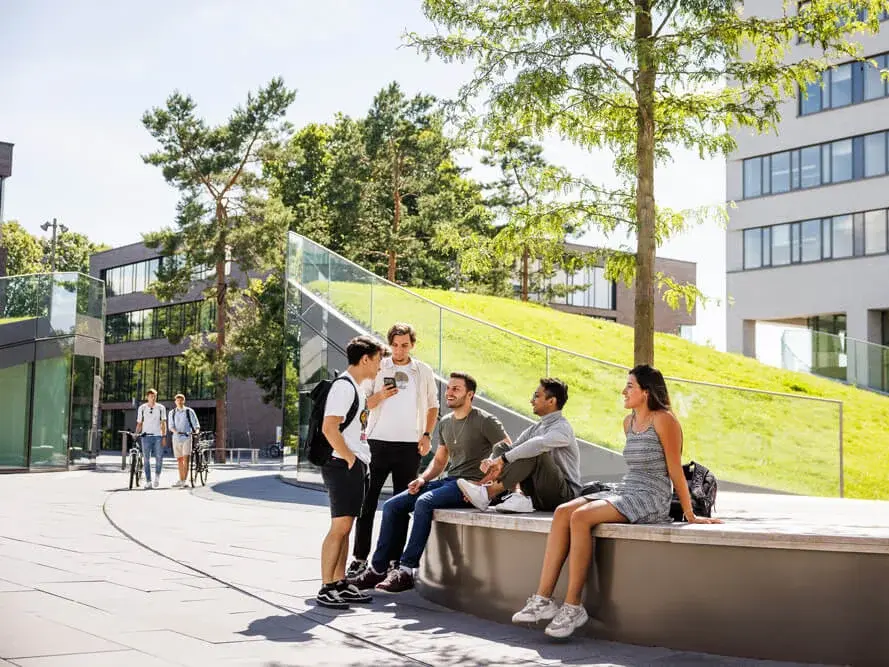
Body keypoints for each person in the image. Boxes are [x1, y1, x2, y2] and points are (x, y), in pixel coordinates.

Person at [512, 365, 723, 639]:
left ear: (646, 392)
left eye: (630, 386)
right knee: (564, 512)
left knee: (581, 517)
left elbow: (674, 470)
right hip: (628, 487)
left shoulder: (665, 420)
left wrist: (690, 513)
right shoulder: (629, 422)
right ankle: (542, 599)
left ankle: (574, 606)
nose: (624, 391)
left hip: (651, 495)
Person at [349, 371, 509, 594]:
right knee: (392, 506)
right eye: (449, 388)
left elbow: (507, 451)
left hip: (469, 487)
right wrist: (422, 478)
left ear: (470, 395)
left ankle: (406, 570)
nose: (450, 392)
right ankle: (377, 569)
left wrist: (488, 482)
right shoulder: (445, 423)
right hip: (449, 482)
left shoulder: (485, 420)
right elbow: (441, 460)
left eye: (456, 389)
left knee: (424, 503)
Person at [347, 323, 440, 579]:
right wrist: (381, 396)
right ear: (390, 344)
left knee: (401, 505)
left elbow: (433, 405)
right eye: (395, 345)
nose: (399, 350)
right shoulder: (379, 367)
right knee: (367, 503)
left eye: (405, 345)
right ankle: (359, 558)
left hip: (410, 446)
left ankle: (392, 560)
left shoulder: (422, 371)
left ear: (412, 345)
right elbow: (363, 403)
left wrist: (427, 435)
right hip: (376, 443)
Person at [316, 335, 390, 610]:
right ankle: (326, 586)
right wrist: (348, 458)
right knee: (340, 527)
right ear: (365, 359)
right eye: (378, 360)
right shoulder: (344, 387)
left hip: (356, 463)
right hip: (342, 464)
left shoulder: (358, 389)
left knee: (347, 527)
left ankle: (339, 582)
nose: (380, 366)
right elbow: (329, 427)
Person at [456, 378, 581, 514]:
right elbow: (512, 450)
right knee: (502, 447)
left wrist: (502, 460)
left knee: (534, 452)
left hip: (563, 497)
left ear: (552, 401)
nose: (531, 400)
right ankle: (498, 493)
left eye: (537, 396)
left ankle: (488, 493)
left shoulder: (562, 428)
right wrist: (490, 468)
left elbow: (537, 444)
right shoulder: (535, 428)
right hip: (536, 495)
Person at [134, 389, 167, 489]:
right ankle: (148, 481)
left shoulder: (161, 408)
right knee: (146, 460)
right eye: (151, 396)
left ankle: (157, 477)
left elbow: (163, 423)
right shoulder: (142, 408)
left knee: (159, 458)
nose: (153, 398)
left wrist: (164, 436)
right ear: (147, 397)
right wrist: (136, 434)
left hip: (158, 436)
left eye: (155, 396)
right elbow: (139, 423)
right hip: (145, 437)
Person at [168, 393, 200, 488]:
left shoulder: (189, 411)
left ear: (184, 401)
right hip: (176, 437)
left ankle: (185, 480)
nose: (179, 402)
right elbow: (171, 426)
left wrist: (196, 432)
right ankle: (181, 479)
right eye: (177, 400)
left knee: (186, 459)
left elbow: (196, 424)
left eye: (181, 400)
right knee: (179, 459)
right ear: (175, 402)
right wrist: (176, 432)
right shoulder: (172, 413)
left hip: (187, 436)